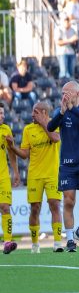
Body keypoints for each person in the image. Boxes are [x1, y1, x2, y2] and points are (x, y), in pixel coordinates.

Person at [5, 102, 62, 253]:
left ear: (44, 113)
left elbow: (56, 139)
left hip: (52, 174)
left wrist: (44, 124)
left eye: (35, 112)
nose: (32, 115)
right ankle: (35, 244)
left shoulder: (54, 124)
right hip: (35, 175)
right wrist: (12, 147)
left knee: (54, 205)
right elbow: (24, 155)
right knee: (35, 208)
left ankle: (57, 243)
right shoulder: (28, 129)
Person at [46, 81, 79, 253]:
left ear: (77, 94)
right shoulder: (61, 111)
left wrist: (72, 108)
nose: (63, 96)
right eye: (62, 93)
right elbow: (50, 127)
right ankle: (69, 240)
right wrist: (61, 112)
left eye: (67, 93)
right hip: (67, 164)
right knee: (69, 200)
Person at [0, 105, 20, 254]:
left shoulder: (6, 129)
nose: (2, 116)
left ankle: (7, 241)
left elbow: (11, 153)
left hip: (3, 176)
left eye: (2, 113)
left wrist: (16, 172)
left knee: (5, 207)